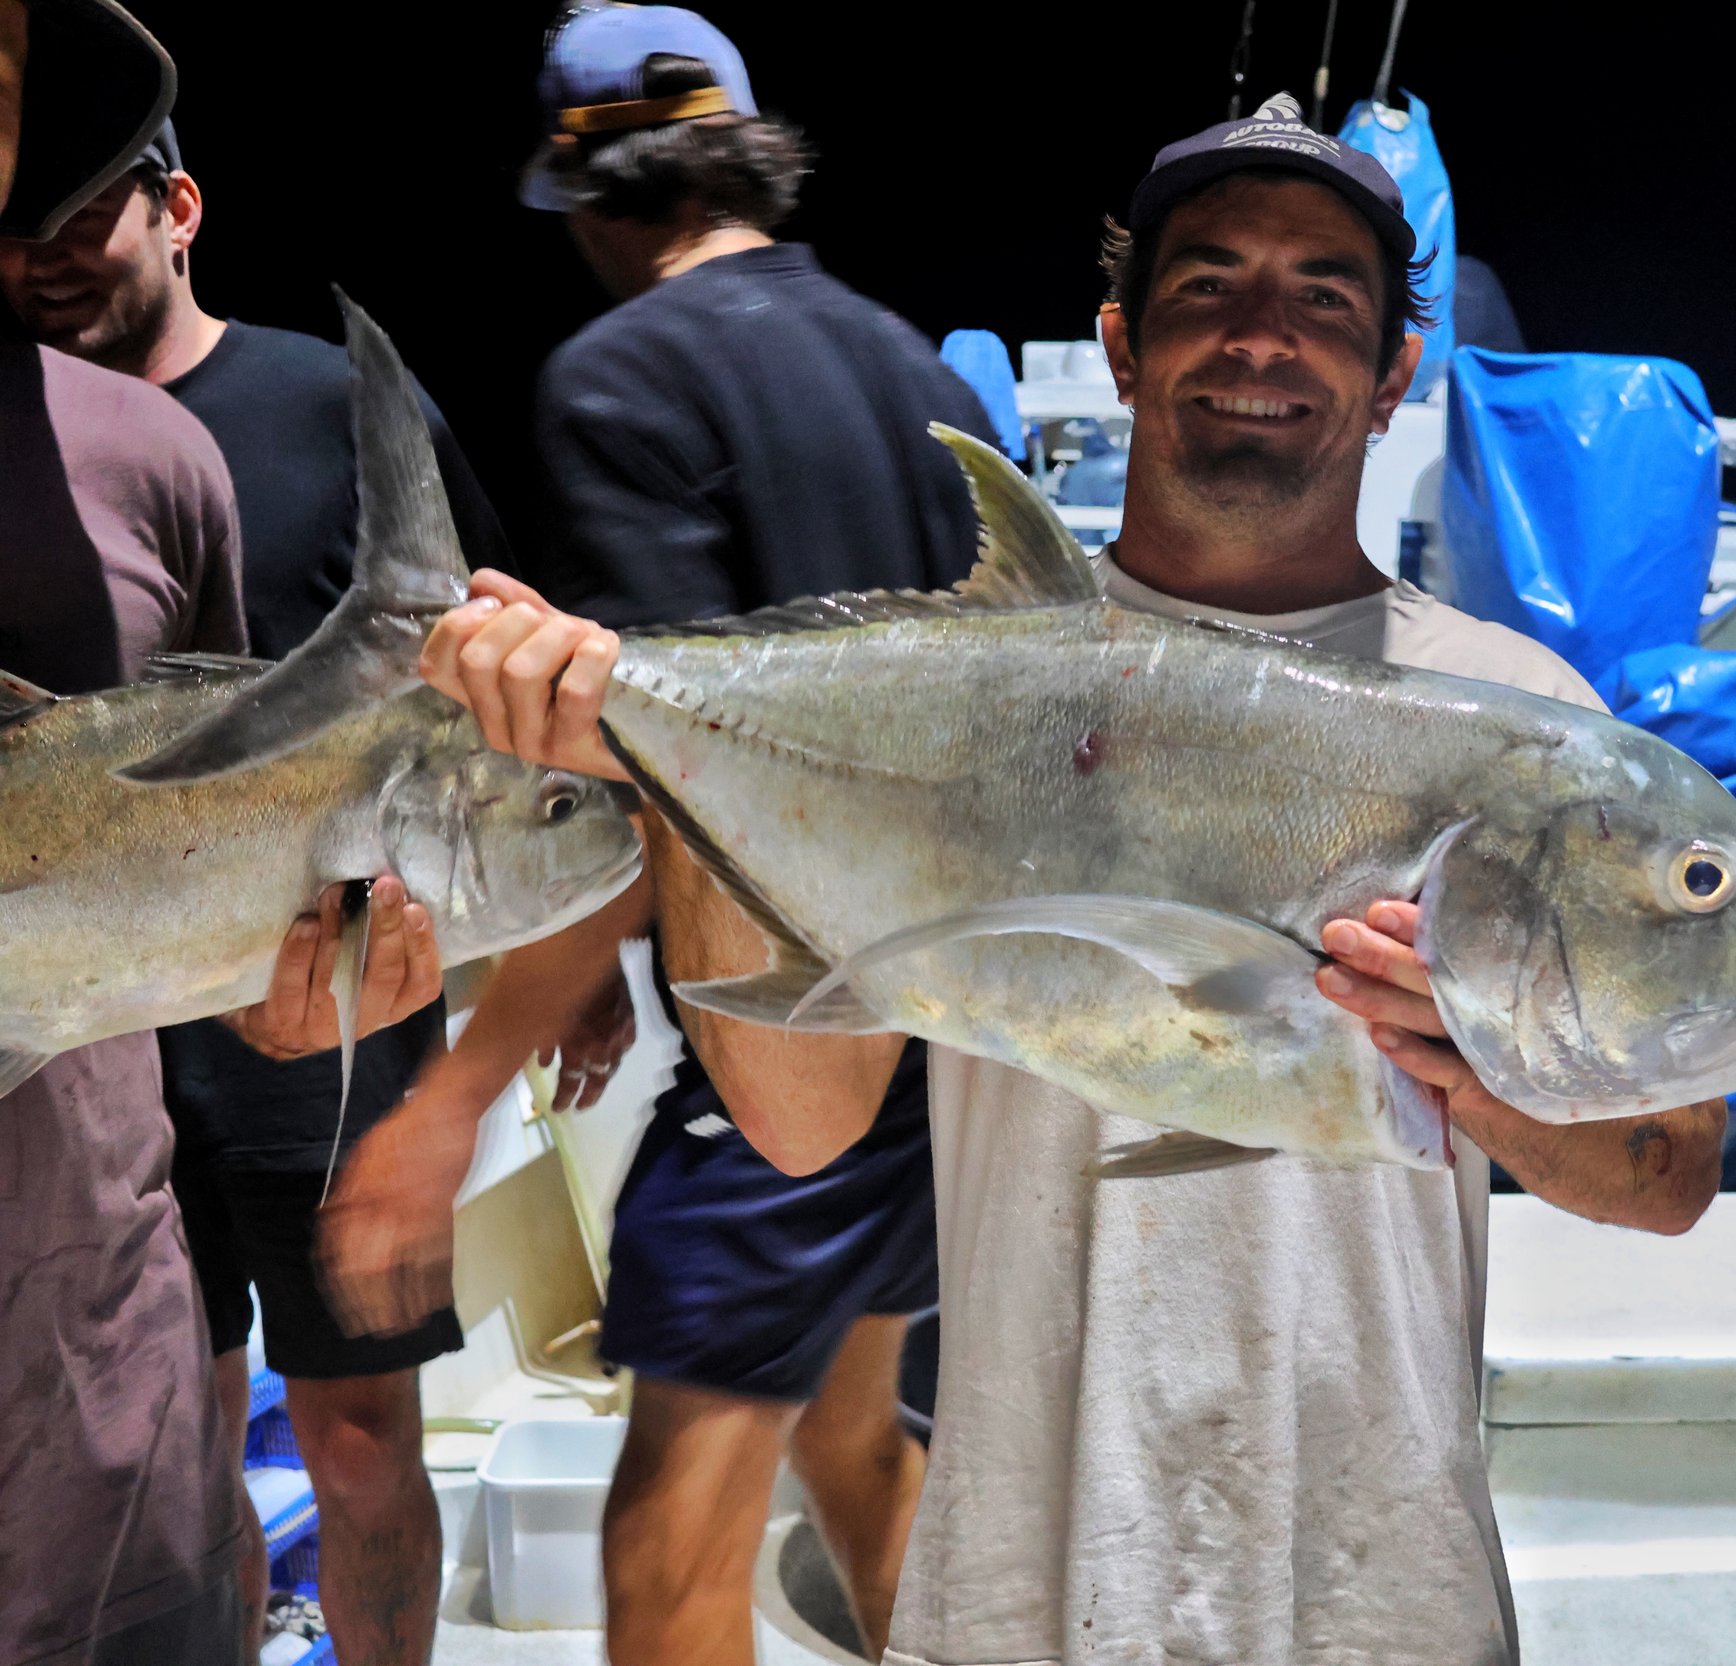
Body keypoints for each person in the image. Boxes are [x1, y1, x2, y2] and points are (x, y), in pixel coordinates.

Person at [414, 90, 1727, 1666]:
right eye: (1208, 285)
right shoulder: (971, 686)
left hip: (1383, 1590)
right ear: (1120, 344)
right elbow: (799, 1112)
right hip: (1024, 1585)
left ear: (1395, 375)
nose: (1262, 333)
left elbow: (1670, 1173)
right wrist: (670, 772)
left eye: (1325, 295)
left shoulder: (1522, 724)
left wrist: (1475, 1071)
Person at [317, 9, 993, 1661]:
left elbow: (629, 793)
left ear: (592, 201)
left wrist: (441, 1111)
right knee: (844, 1428)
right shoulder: (909, 362)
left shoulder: (622, 376)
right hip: (946, 1033)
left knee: (662, 1551)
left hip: (786, 1047)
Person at [0, 117, 515, 1666]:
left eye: (93, 208)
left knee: (356, 1436)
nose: (50, 246)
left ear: (182, 208)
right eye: (22, 215)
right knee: (189, 1409)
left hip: (321, 1008)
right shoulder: (38, 444)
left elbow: (476, 652)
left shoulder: (313, 402)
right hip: (109, 1023)